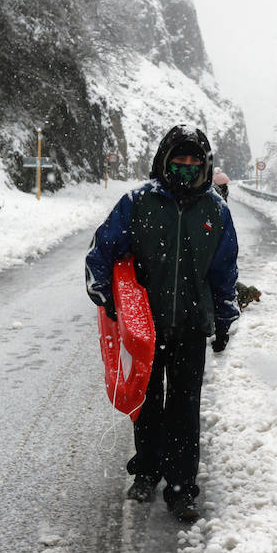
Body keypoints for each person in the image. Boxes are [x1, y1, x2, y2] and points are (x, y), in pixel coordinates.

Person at [85, 124, 239, 522]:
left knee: (185, 408)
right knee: (148, 402)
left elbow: (224, 273)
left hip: (190, 325)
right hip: (145, 329)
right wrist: (107, 299)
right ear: (164, 161)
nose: (186, 166)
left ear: (204, 165)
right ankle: (149, 469)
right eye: (178, 159)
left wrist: (223, 319)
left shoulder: (215, 212)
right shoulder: (138, 203)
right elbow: (101, 253)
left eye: (193, 160)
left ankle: (181, 486)